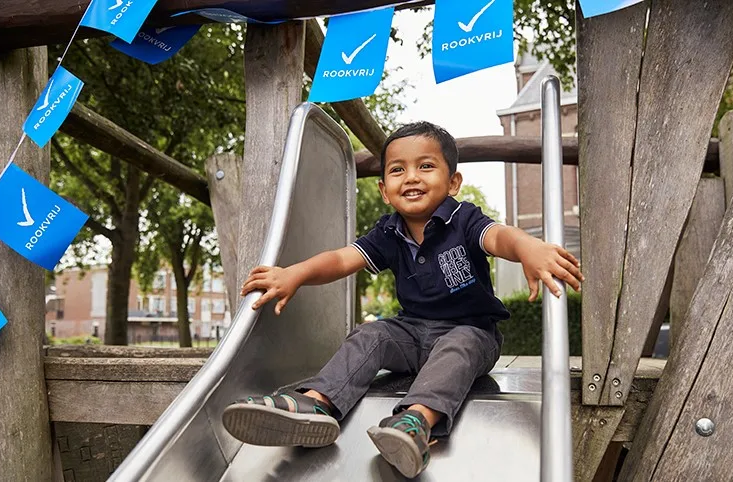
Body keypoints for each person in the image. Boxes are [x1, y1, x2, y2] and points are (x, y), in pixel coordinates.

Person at [223, 121, 583, 478]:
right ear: (384, 189)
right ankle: (317, 405)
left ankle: (414, 423)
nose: (411, 177)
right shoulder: (388, 231)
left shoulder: (463, 219)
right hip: (412, 334)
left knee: (459, 344)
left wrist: (528, 248)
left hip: (472, 333)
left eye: (426, 166)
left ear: (453, 182)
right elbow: (341, 259)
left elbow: (499, 237)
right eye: (398, 170)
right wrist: (294, 274)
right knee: (370, 334)